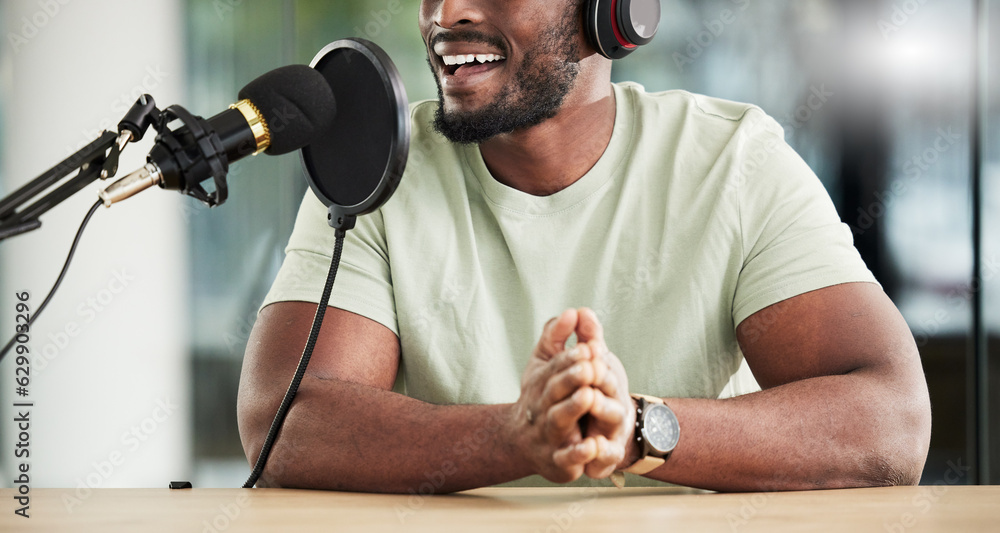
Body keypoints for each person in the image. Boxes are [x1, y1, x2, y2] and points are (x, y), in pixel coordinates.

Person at [237, 0, 931, 492]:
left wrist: (632, 430)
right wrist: (517, 434)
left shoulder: (732, 160)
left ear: (614, 12)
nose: (446, 12)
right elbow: (285, 417)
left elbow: (889, 417)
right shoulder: (382, 168)